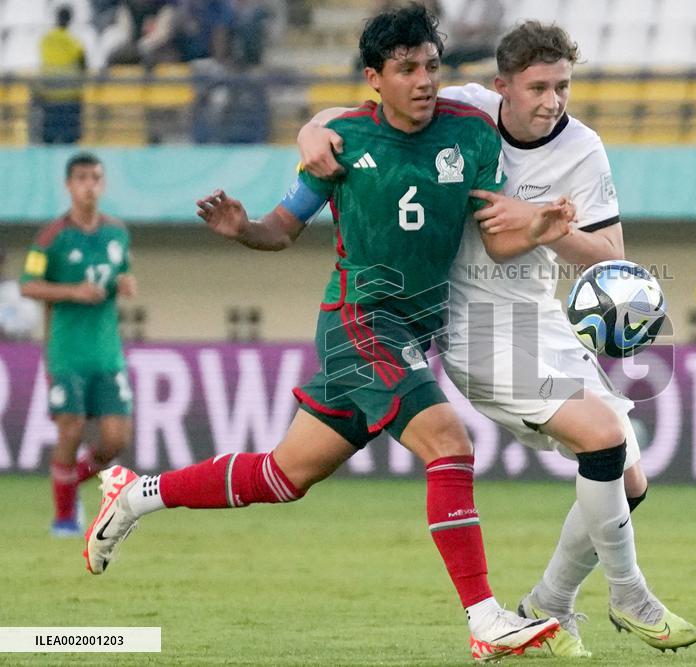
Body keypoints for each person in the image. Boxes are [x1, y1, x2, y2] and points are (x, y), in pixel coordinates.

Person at [84, 5, 570, 662]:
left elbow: (495, 234)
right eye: (406, 69)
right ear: (375, 77)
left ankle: (136, 493)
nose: (424, 80)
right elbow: (283, 227)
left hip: (410, 330)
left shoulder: (473, 132)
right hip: (360, 318)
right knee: (448, 442)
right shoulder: (342, 140)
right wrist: (243, 229)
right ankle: (485, 617)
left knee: (285, 475)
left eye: (430, 66)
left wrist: (537, 229)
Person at [297, 20, 696, 658]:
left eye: (563, 86)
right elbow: (366, 109)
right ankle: (629, 594)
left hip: (541, 317)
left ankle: (549, 603)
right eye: (538, 87)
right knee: (604, 439)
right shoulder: (466, 109)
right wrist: (310, 130)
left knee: (628, 482)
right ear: (501, 87)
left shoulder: (584, 149)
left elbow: (609, 256)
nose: (552, 101)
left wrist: (543, 227)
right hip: (474, 327)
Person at [20, 153, 137, 535]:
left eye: (96, 178)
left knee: (115, 440)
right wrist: (72, 291)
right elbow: (28, 285)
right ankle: (65, 518)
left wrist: (126, 284)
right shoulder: (51, 238)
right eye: (82, 178)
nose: (90, 185)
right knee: (69, 431)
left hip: (107, 353)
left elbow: (123, 272)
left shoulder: (118, 232)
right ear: (69, 185)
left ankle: (70, 483)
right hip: (66, 352)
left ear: (103, 185)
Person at [38, 5, 86, 144]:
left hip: (49, 93)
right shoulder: (74, 41)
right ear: (70, 20)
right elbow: (83, 64)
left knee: (49, 137)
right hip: (70, 95)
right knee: (69, 138)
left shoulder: (45, 39)